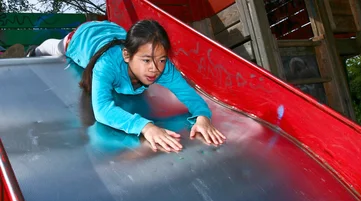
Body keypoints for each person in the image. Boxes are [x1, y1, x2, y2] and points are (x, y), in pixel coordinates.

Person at [29, 19, 225, 152]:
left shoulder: (162, 66)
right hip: (85, 36)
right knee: (58, 47)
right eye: (146, 60)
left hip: (114, 30)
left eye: (162, 59)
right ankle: (35, 51)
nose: (154, 69)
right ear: (127, 56)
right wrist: (146, 126)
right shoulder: (106, 65)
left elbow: (189, 95)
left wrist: (202, 116)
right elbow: (102, 109)